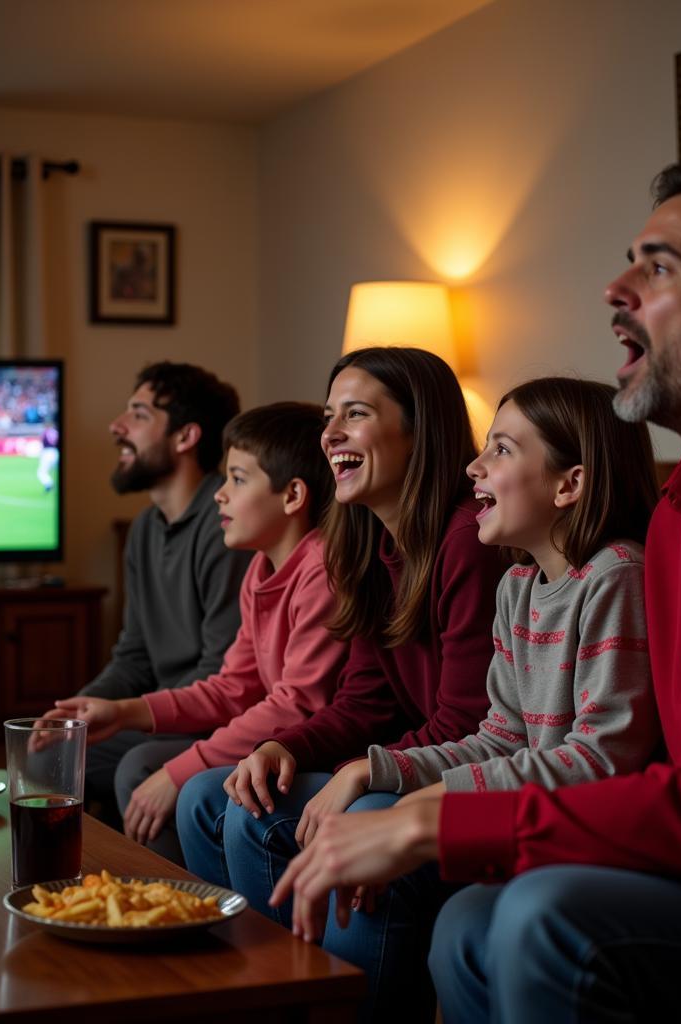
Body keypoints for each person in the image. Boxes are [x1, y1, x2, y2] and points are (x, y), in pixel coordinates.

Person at [269, 161, 681, 1022]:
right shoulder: (679, 517)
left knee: (538, 916)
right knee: (469, 923)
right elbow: (525, 736)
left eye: (659, 266)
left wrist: (425, 820)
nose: (616, 286)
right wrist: (395, 788)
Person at [177, 347, 502, 1014]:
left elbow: (469, 725)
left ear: (422, 431)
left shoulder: (468, 539)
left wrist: (364, 771)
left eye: (356, 415)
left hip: (462, 777)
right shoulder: (363, 542)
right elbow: (362, 701)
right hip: (407, 761)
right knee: (217, 797)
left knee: (338, 814)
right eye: (329, 416)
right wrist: (286, 748)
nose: (329, 435)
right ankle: (263, 996)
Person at [45, 402, 347, 864]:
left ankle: (196, 909)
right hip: (280, 743)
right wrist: (125, 711)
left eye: (238, 480)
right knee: (137, 767)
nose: (219, 495)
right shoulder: (261, 569)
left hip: (314, 752)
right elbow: (234, 688)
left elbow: (296, 704)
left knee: (155, 774)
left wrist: (182, 769)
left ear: (292, 496)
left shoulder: (322, 571)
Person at [45, 362, 252, 830]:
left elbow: (224, 675)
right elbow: (134, 655)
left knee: (127, 763)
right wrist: (75, 714)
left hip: (208, 721)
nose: (117, 426)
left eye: (138, 414)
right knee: (51, 754)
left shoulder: (228, 528)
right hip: (160, 713)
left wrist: (130, 715)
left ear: (185, 437)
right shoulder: (143, 529)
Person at [37, 421, 59, 492]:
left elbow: (42, 443)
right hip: (56, 452)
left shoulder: (45, 432)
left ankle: (49, 484)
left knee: (41, 472)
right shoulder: (56, 432)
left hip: (47, 452)